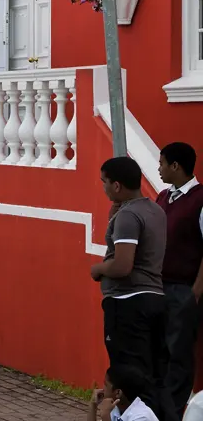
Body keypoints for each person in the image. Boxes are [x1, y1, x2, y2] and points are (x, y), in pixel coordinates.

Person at [92, 157, 175, 420]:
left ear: (117, 185)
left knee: (130, 378)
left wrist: (99, 269)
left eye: (105, 182)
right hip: (154, 299)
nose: (103, 187)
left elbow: (122, 265)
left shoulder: (129, 216)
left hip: (128, 305)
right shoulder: (155, 210)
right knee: (156, 375)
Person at [157, 143, 203, 420]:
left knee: (178, 357)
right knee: (158, 354)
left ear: (176, 166)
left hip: (183, 290)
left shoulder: (199, 200)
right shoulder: (163, 197)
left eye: (162, 163)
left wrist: (195, 292)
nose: (159, 169)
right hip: (159, 287)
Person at [88, 366, 159, 421]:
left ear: (118, 393)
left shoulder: (141, 417)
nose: (103, 389)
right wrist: (93, 405)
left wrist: (106, 416)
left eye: (105, 385)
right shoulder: (116, 408)